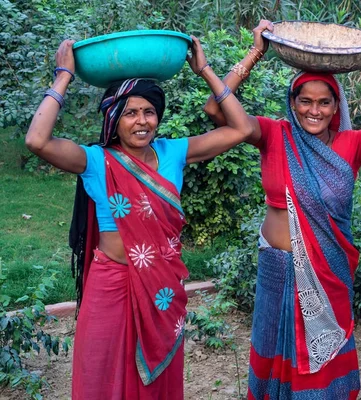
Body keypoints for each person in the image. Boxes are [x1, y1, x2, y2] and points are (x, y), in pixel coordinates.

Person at [203, 19, 361, 400]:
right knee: (276, 358)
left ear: (336, 106)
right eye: (305, 101)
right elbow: (216, 109)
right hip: (277, 268)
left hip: (328, 273)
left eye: (324, 102)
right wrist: (255, 53)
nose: (314, 110)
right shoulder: (274, 135)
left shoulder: (353, 144)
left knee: (323, 368)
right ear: (292, 104)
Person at [25, 36, 253, 399]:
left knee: (156, 379)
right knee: (101, 370)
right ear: (114, 119)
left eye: (149, 111)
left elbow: (242, 129)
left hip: (161, 288)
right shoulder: (97, 161)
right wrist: (64, 76)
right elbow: (37, 141)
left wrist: (204, 70)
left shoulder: (173, 152)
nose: (141, 121)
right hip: (110, 286)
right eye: (130, 113)